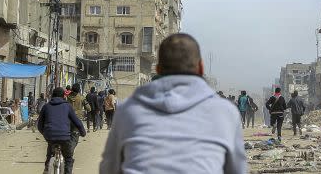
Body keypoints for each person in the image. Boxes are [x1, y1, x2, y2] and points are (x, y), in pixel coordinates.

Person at [98, 33, 248, 174]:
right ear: (201, 68)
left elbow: (109, 168)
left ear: (158, 69)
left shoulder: (129, 110)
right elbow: (236, 170)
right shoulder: (225, 112)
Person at [38, 87, 86, 174]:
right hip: (64, 137)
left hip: (49, 135)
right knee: (68, 158)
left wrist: (45, 133)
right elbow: (77, 121)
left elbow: (39, 125)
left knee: (50, 151)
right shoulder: (67, 106)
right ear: (64, 96)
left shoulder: (46, 106)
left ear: (52, 95)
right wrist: (83, 132)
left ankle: (47, 167)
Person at [66, 84, 88, 151]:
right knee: (75, 137)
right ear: (79, 90)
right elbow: (88, 108)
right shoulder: (82, 98)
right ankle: (70, 151)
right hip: (77, 120)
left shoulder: (67, 97)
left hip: (67, 119)